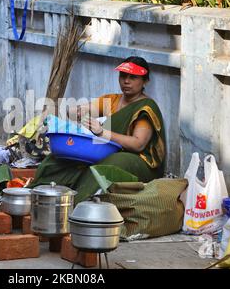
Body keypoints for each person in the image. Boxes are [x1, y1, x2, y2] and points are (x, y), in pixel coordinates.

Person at [29, 56, 166, 203]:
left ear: (145, 81)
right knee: (59, 158)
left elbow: (138, 144)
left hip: (139, 161)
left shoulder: (145, 107)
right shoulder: (112, 100)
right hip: (108, 150)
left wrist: (102, 132)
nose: (126, 81)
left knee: (111, 163)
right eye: (123, 76)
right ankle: (40, 194)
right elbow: (80, 111)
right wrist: (78, 112)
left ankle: (78, 203)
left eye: (133, 77)